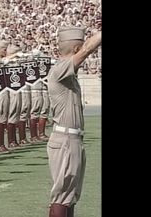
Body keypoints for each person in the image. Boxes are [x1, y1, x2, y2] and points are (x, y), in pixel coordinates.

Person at [46, 27, 101, 217]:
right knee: (62, 196)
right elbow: (87, 49)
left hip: (72, 139)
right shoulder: (60, 68)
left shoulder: (66, 73)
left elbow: (84, 49)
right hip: (65, 140)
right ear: (76, 49)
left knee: (70, 195)